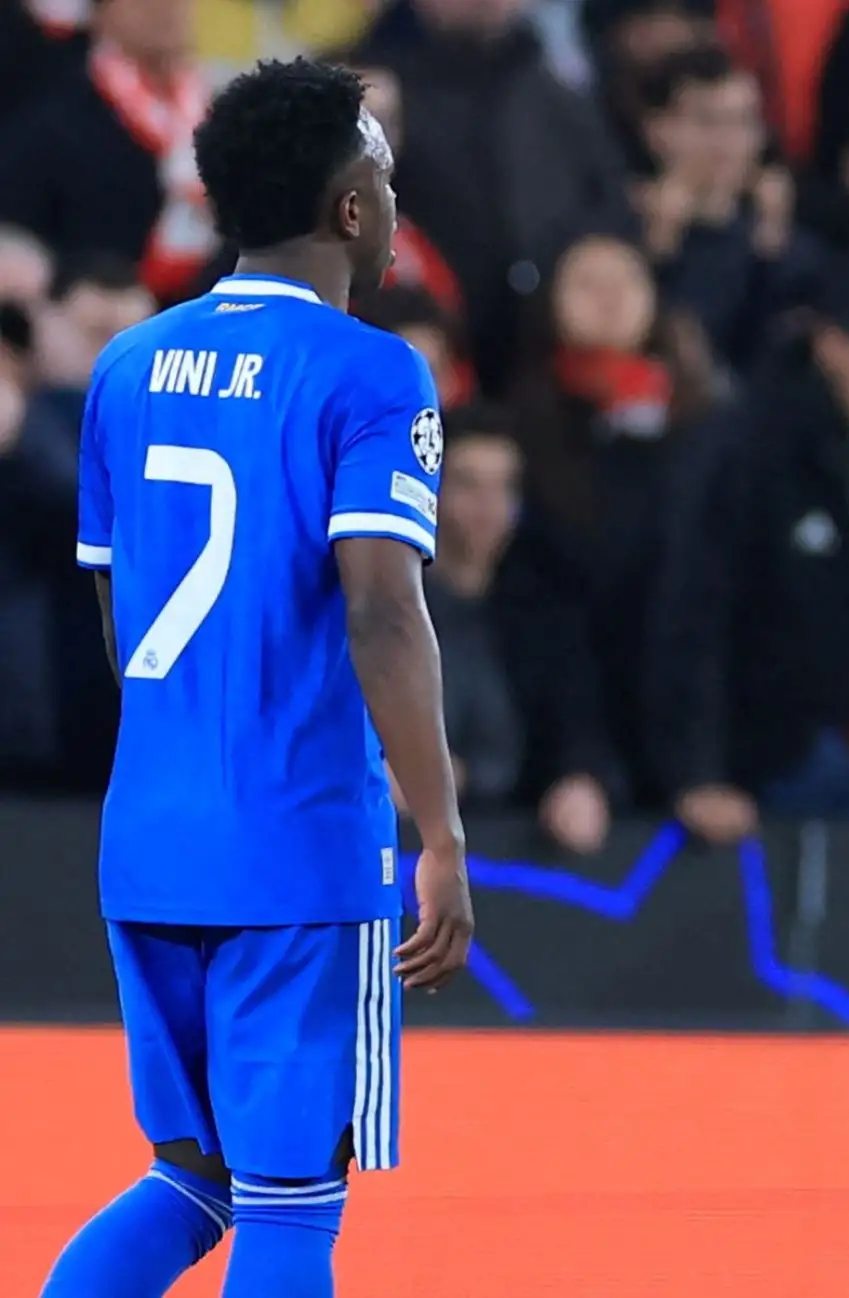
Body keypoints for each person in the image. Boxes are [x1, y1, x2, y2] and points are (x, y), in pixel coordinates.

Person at [43, 58, 473, 1298]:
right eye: (384, 179)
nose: (395, 204)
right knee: (291, 1198)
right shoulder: (372, 373)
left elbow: (119, 607)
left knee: (191, 1176)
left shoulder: (127, 365)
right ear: (350, 209)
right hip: (294, 840)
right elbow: (384, 613)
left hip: (151, 834)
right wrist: (438, 829)